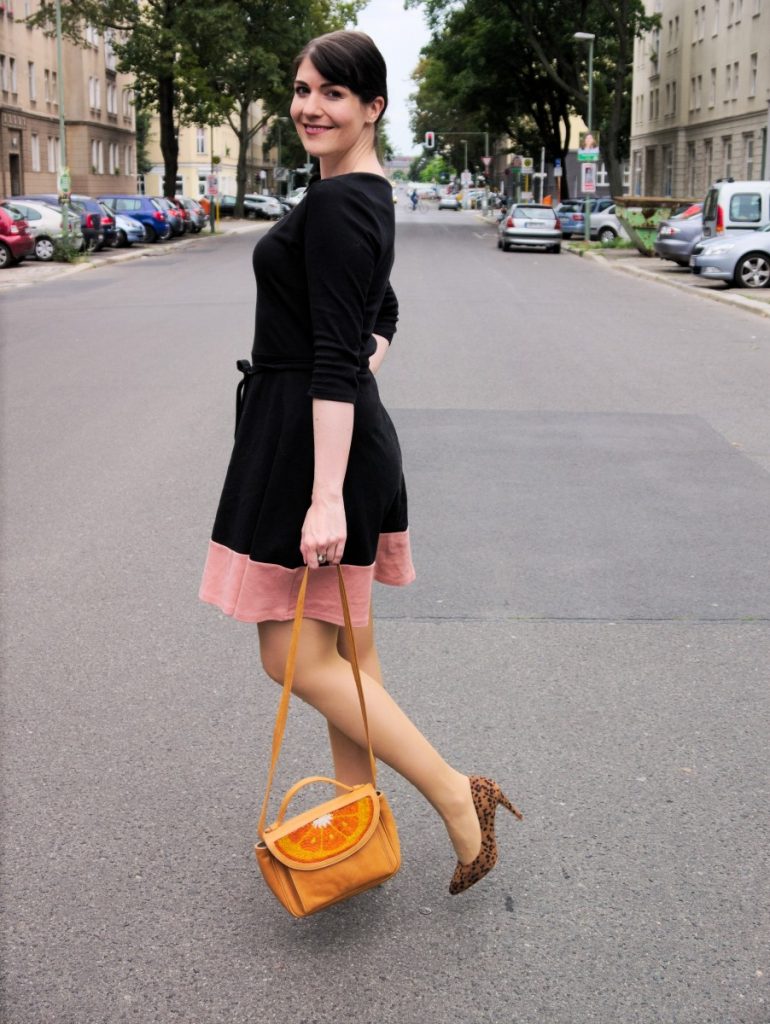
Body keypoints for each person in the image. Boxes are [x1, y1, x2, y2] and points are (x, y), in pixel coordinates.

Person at [199, 29, 522, 896]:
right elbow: (378, 312)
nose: (310, 105)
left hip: (315, 446)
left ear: (372, 107)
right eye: (303, 89)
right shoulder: (351, 190)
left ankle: (459, 797)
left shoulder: (343, 202)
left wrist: (325, 495)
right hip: (322, 429)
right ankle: (360, 821)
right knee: (349, 655)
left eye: (333, 94)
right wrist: (356, 357)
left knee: (293, 659)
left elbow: (343, 352)